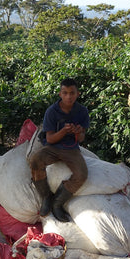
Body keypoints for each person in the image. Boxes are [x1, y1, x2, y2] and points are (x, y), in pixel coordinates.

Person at [29, 78, 90, 222]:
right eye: (65, 93)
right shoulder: (51, 111)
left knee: (82, 174)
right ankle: (46, 196)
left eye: (72, 93)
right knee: (35, 161)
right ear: (60, 94)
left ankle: (57, 202)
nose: (69, 96)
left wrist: (77, 132)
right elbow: (50, 139)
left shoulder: (82, 111)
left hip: (71, 149)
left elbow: (81, 138)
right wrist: (63, 131)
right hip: (53, 147)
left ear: (77, 94)